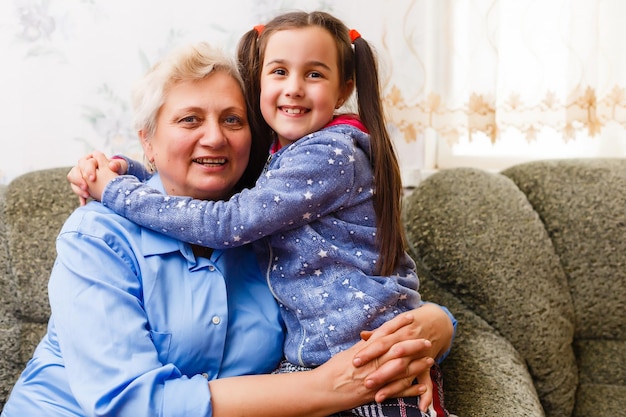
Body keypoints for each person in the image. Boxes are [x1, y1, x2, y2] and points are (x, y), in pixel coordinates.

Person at [1, 41, 448, 417]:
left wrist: (431, 326)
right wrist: (327, 387)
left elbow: (354, 297)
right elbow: (127, 402)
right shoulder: (97, 236)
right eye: (189, 120)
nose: (214, 137)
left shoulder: (274, 228)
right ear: (147, 142)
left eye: (232, 120)